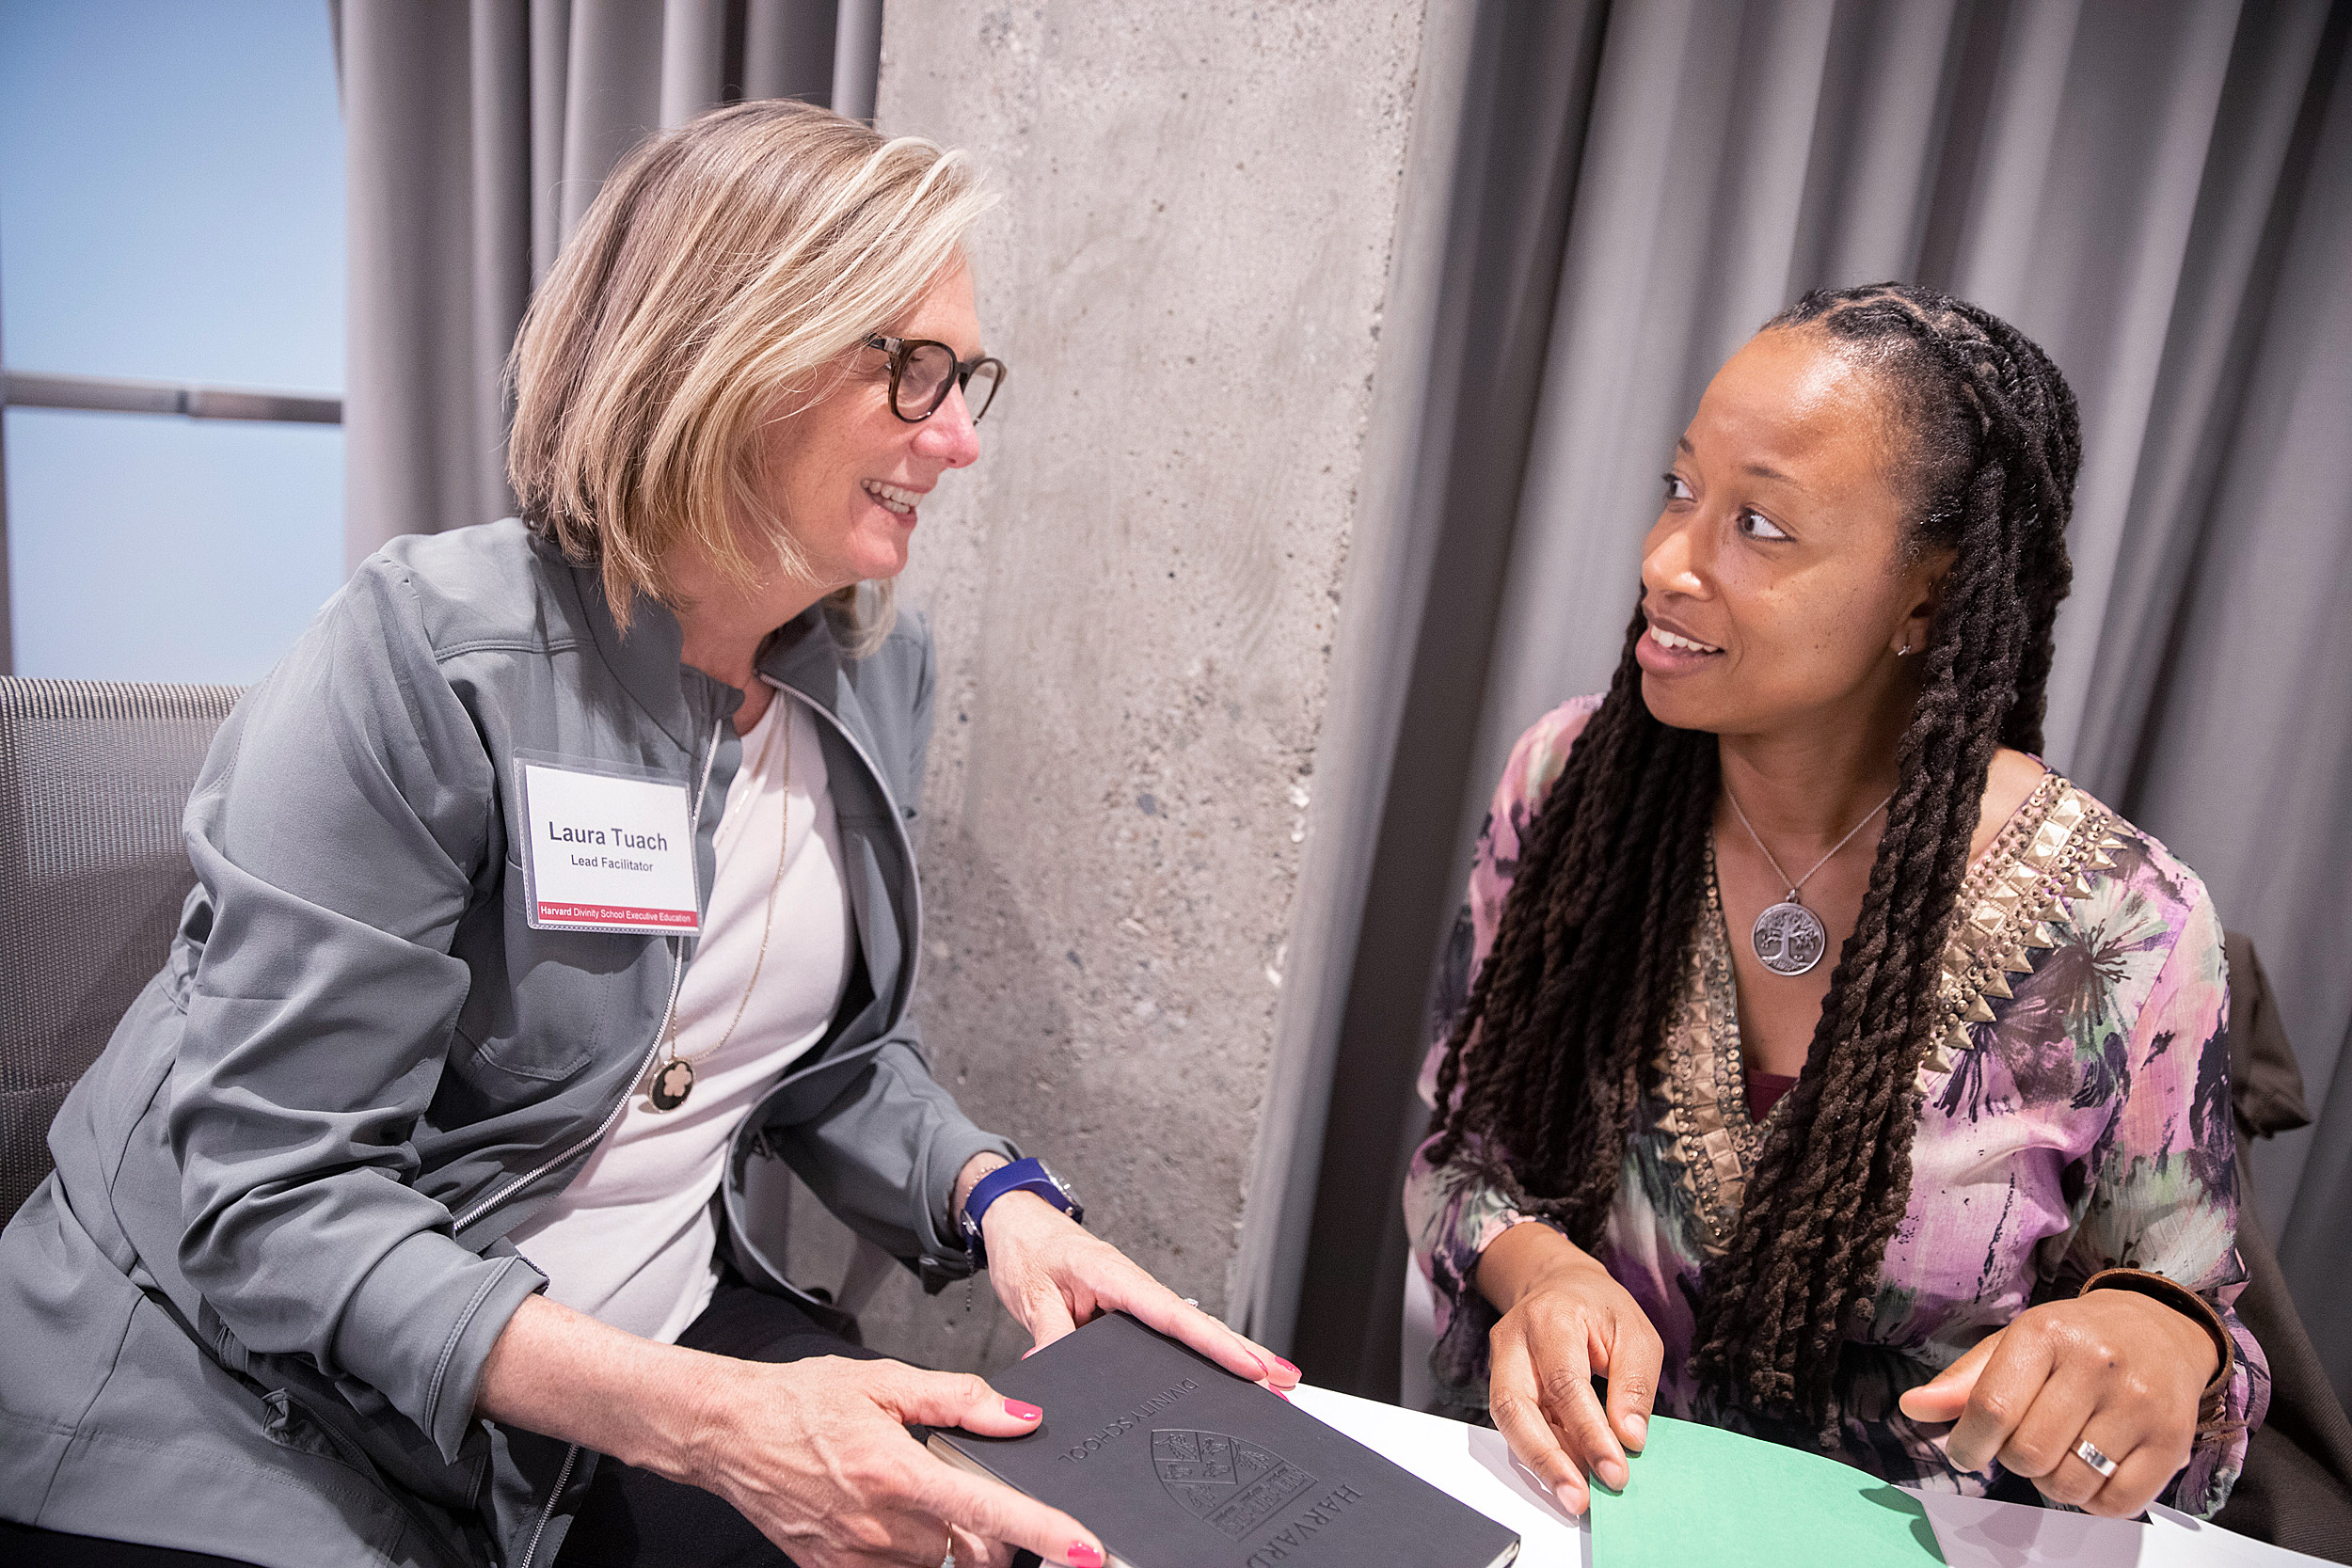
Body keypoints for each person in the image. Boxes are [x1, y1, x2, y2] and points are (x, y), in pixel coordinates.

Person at [0, 101, 1295, 1568]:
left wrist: (995, 1199)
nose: (959, 439)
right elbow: (270, 1202)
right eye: (915, 371)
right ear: (736, 348)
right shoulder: (425, 656)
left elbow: (824, 1058)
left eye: (968, 377)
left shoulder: (873, 671)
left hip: (637, 1354)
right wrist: (706, 1421)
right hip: (251, 1408)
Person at [1404, 283, 2268, 1522]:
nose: (1666, 562)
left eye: (1759, 524)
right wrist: (1540, 1276)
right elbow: (1456, 1153)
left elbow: (2201, 1340)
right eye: (1681, 488)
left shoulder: (2127, 926)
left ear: (1930, 593)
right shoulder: (1570, 789)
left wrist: (2160, 1343)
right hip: (1569, 1517)